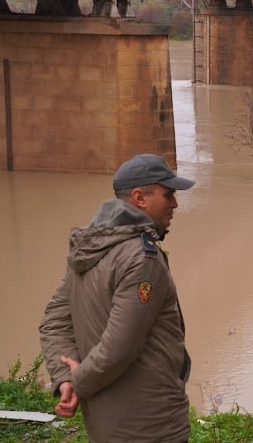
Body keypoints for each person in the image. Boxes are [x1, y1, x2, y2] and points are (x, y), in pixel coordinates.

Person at [39, 153, 195, 442]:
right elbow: (120, 347)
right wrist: (77, 381)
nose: (174, 204)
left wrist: (65, 380)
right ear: (139, 198)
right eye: (168, 194)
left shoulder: (89, 248)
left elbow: (53, 323)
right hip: (150, 426)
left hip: (104, 421)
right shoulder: (141, 258)